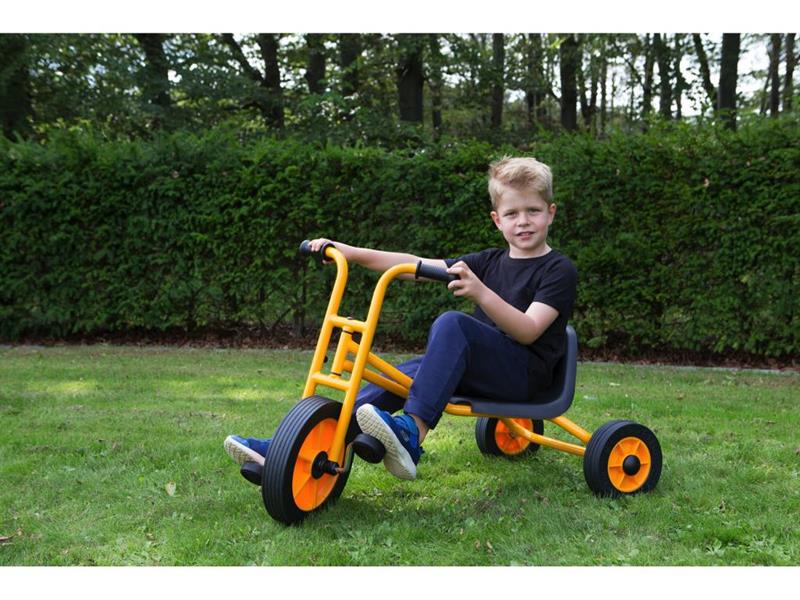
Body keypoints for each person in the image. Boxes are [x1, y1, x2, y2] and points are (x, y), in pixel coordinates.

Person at [224, 156, 577, 481]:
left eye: (533, 211)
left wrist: (481, 292)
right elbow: (412, 265)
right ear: (497, 220)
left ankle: (412, 433)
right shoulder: (488, 261)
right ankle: (289, 448)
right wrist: (350, 252)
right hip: (481, 371)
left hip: (525, 379)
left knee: (452, 323)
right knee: (395, 377)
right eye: (512, 213)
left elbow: (529, 331)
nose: (523, 221)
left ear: (550, 213)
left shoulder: (558, 269)